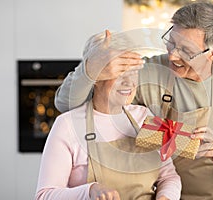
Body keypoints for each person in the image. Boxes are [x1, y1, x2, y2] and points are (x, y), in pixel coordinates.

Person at [54, 1, 213, 199]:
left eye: (185, 50)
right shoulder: (153, 71)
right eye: (171, 42)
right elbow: (69, 107)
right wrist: (92, 68)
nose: (173, 55)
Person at [35, 33, 182, 200]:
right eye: (119, 73)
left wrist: (165, 197)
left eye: (133, 72)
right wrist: (89, 191)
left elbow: (169, 176)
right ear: (95, 77)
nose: (129, 82)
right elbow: (45, 196)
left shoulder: (143, 116)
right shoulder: (67, 125)